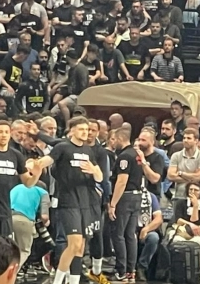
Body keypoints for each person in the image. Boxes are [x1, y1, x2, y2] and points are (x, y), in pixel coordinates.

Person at [34, 117, 104, 284]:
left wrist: (94, 170)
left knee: (80, 247)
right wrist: (34, 164)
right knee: (73, 244)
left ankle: (74, 281)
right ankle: (57, 281)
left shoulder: (88, 150)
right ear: (72, 130)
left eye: (87, 130)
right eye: (81, 129)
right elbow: (46, 161)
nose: (85, 133)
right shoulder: (63, 147)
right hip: (68, 200)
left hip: (86, 202)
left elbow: (100, 177)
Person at [108, 127, 145, 281]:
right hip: (137, 196)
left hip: (125, 197)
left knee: (118, 234)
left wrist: (113, 204)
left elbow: (122, 181)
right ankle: (131, 270)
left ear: (120, 139)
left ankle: (121, 270)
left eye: (114, 139)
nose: (112, 143)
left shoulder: (124, 156)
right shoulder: (137, 154)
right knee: (130, 234)